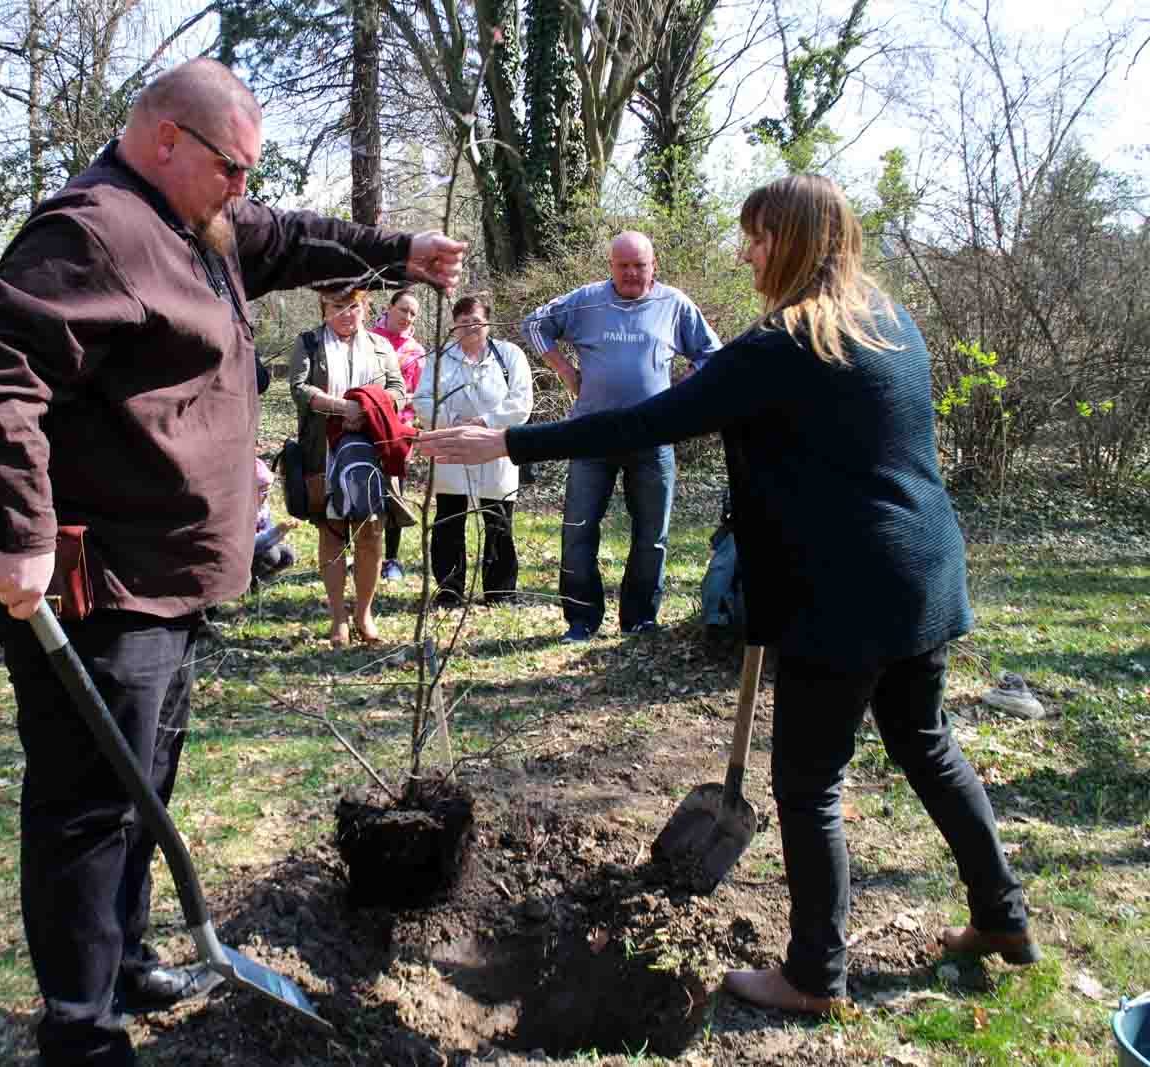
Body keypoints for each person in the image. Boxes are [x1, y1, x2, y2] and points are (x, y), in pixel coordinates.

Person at [417, 174, 1036, 1015]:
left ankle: (815, 975)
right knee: (928, 745)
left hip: (843, 594)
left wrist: (507, 438)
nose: (744, 252)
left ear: (792, 240)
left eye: (755, 236)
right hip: (922, 576)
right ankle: (1004, 917)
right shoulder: (890, 324)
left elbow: (645, 422)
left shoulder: (783, 345)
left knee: (809, 781)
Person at [0, 59, 464, 1067]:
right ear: (166, 140)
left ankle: (131, 960)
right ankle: (80, 1027)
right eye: (233, 167)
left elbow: (297, 234)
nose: (245, 188)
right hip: (105, 587)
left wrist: (400, 251)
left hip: (176, 578)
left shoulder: (207, 222)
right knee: (90, 802)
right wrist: (17, 530)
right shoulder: (91, 231)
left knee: (146, 779)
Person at [522, 231, 720, 641]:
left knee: (652, 533)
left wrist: (683, 393)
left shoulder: (675, 304)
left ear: (653, 266)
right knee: (578, 528)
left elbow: (711, 353)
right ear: (610, 266)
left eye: (639, 266)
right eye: (623, 266)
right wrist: (565, 371)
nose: (631, 273)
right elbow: (536, 324)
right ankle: (581, 619)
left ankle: (640, 619)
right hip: (590, 434)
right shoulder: (587, 300)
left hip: (653, 437)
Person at [289, 286, 406, 647]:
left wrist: (370, 409)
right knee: (333, 530)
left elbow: (398, 388)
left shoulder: (381, 345)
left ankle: (364, 614)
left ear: (365, 308)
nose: (346, 314)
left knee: (371, 531)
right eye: (338, 307)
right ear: (324, 308)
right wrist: (341, 409)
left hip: (372, 449)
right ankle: (338, 617)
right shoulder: (308, 342)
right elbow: (299, 388)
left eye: (353, 307)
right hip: (323, 450)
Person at [412, 295, 532, 607]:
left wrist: (484, 422)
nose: (470, 328)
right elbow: (423, 400)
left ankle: (500, 591)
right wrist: (454, 423)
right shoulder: (439, 358)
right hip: (451, 446)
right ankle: (450, 590)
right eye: (463, 323)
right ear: (454, 326)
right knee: (449, 520)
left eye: (476, 322)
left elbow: (521, 403)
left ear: (488, 323)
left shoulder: (509, 355)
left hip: (496, 447)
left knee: (498, 520)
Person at [369, 287, 426, 581]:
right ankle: (363, 556)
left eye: (413, 313)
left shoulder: (415, 352)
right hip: (365, 424)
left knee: (394, 493)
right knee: (362, 490)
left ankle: (391, 560)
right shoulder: (368, 340)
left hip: (399, 430)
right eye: (403, 309)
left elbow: (421, 395)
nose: (407, 316)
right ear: (389, 308)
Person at [251, 457, 296, 587]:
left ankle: (261, 580)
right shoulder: (242, 511)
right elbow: (250, 544)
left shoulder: (263, 507)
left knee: (288, 555)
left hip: (260, 549)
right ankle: (249, 582)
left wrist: (282, 532)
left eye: (268, 490)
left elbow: (267, 536)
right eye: (262, 490)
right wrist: (275, 531)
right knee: (272, 554)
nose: (266, 495)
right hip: (245, 556)